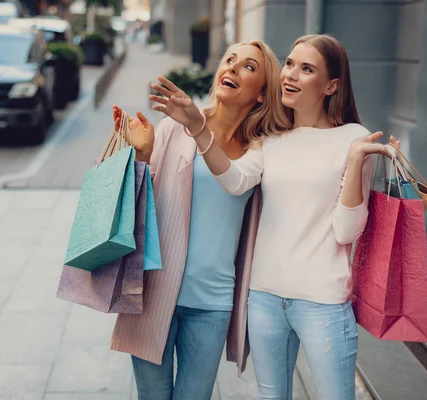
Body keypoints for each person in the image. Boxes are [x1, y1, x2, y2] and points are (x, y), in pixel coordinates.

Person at [148, 34, 400, 400]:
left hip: (323, 302)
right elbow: (234, 181)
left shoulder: (355, 139)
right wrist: (199, 128)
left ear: (331, 85)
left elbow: (346, 231)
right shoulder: (270, 138)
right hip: (264, 298)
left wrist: (357, 160)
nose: (291, 75)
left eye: (307, 69)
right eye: (290, 64)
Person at [108, 40, 291, 400]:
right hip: (153, 290)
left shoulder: (262, 148)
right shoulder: (173, 128)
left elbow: (235, 181)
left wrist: (197, 126)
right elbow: (144, 202)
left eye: (249, 67)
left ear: (260, 95)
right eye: (230, 60)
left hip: (212, 303)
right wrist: (141, 155)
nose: (234, 68)